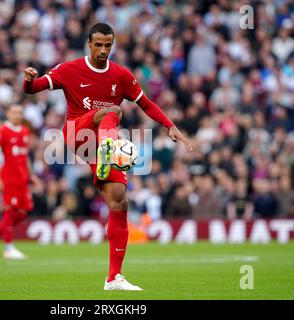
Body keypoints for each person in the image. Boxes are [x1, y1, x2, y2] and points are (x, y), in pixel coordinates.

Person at [23, 23, 192, 290]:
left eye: (108, 45)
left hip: (102, 141)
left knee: (119, 201)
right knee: (112, 110)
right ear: (89, 44)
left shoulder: (121, 75)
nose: (103, 50)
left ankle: (113, 278)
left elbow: (145, 103)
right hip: (78, 133)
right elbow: (33, 89)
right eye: (98, 45)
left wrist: (170, 126)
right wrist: (29, 78)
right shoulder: (69, 69)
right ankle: (108, 148)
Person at [0, 105, 39, 260]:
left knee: (24, 212)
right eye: (14, 112)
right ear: (8, 114)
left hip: (22, 179)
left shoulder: (25, 131)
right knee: (9, 211)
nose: (17, 115)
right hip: (9, 178)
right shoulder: (3, 130)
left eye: (20, 112)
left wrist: (32, 175)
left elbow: (24, 157)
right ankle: (8, 247)